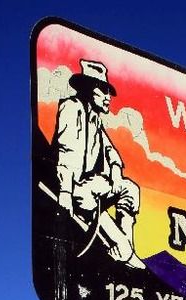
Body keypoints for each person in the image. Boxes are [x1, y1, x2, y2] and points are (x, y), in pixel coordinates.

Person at [53, 59, 145, 269]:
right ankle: (123, 249)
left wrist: (115, 172)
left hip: (93, 183)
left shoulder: (95, 119)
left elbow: (111, 151)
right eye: (102, 90)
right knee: (87, 197)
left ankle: (126, 248)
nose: (107, 97)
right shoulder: (71, 108)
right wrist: (65, 192)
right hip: (73, 186)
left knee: (130, 189)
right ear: (88, 89)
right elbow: (65, 152)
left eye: (108, 92)